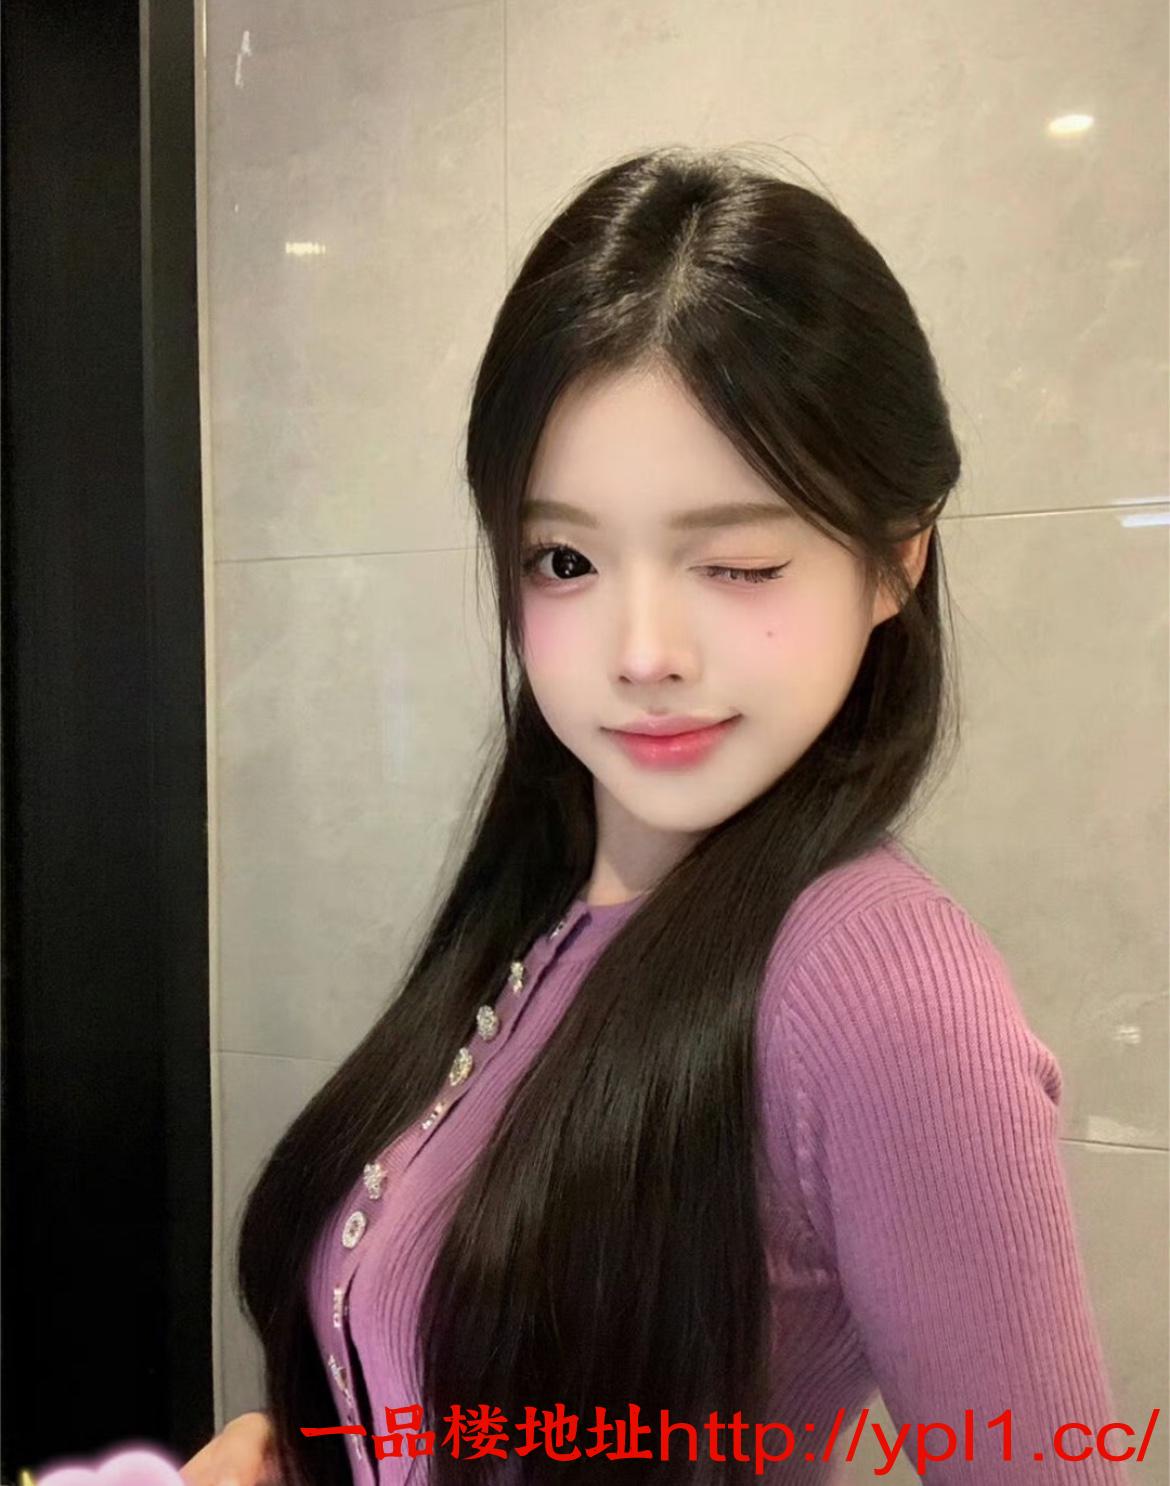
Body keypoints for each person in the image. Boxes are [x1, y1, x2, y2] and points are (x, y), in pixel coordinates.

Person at [182, 146, 1131, 1485]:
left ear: (895, 560)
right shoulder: (549, 893)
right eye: (563, 558)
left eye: (734, 560)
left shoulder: (878, 985)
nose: (640, 652)